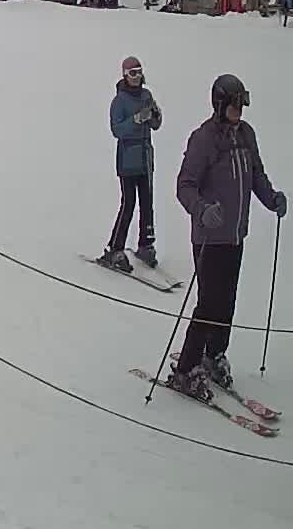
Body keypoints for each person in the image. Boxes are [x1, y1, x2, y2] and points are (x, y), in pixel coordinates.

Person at [169, 74, 287, 400]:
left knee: (227, 301)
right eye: (234, 105)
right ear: (220, 105)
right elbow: (185, 185)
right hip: (209, 236)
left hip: (235, 234)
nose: (240, 111)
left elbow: (256, 176)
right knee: (208, 303)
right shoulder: (204, 139)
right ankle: (186, 368)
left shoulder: (246, 136)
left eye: (241, 105)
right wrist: (202, 209)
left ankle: (214, 353)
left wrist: (271, 197)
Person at [99, 57, 163, 272]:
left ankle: (146, 243)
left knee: (147, 202)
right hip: (127, 160)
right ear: (124, 75)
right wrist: (136, 119)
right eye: (131, 73)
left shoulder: (146, 95)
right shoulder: (119, 101)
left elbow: (155, 125)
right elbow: (116, 130)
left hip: (145, 159)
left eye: (138, 72)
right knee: (128, 204)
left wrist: (155, 116)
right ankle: (115, 247)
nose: (136, 77)